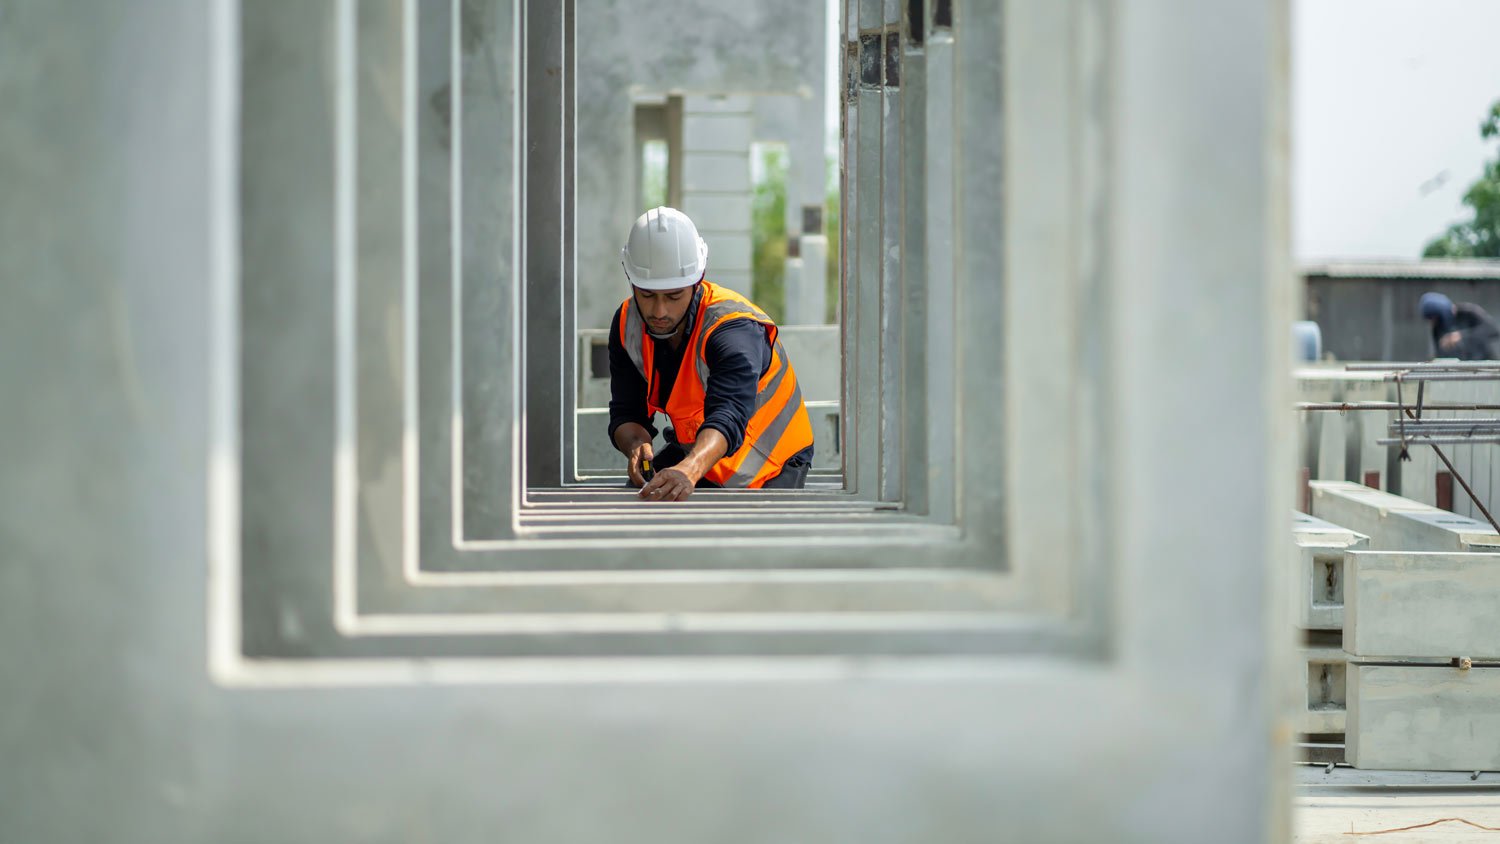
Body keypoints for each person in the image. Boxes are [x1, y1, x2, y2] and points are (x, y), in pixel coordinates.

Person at [607, 207, 815, 501]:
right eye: (648, 294)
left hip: (770, 465)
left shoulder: (733, 329)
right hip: (698, 458)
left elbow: (728, 413)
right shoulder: (628, 322)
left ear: (697, 281)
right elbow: (626, 411)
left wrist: (690, 469)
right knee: (640, 504)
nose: (659, 311)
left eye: (674, 295)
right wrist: (636, 445)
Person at [1419, 292, 1500, 360]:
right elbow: (1438, 352)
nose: (1433, 322)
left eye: (1434, 318)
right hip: (1458, 371)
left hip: (1483, 366)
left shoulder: (1469, 312)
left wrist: (1460, 335)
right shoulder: (1438, 327)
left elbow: (1492, 330)